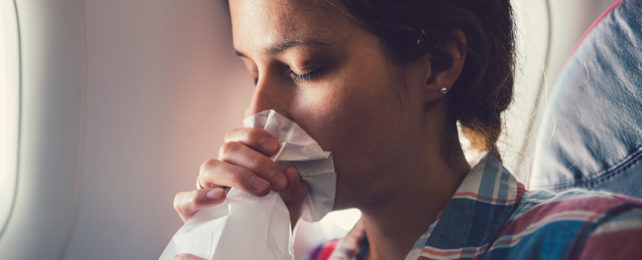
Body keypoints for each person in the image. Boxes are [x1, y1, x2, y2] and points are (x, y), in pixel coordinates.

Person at [172, 0, 642, 259]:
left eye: (303, 69)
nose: (258, 113)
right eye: (254, 73)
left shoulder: (599, 243)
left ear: (438, 65)